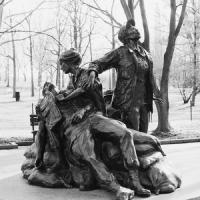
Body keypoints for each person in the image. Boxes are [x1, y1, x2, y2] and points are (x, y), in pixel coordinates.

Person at [86, 19, 155, 133]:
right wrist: (93, 71)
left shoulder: (145, 55)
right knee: (133, 136)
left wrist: (156, 92)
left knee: (144, 137)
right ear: (126, 36)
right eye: (130, 27)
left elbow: (150, 77)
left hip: (144, 103)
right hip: (127, 103)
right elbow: (97, 63)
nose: (134, 28)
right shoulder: (120, 53)